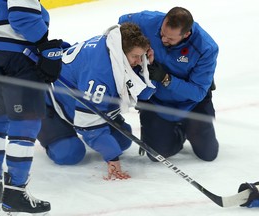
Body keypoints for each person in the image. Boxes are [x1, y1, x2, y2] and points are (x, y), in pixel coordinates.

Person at [0, 0, 63, 215]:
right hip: (18, 56)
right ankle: (15, 191)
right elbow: (22, 16)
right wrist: (43, 44)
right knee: (26, 121)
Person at [37, 22, 156, 180]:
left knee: (123, 140)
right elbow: (89, 123)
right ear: (121, 53)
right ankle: (51, 132)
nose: (140, 61)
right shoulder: (99, 73)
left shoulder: (115, 45)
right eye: (135, 56)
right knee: (70, 153)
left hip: (77, 98)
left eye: (142, 56)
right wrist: (112, 158)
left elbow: (141, 92)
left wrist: (147, 70)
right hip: (49, 103)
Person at [118, 7, 219, 162]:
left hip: (191, 104)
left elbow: (198, 92)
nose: (164, 39)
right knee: (156, 155)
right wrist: (135, 54)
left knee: (208, 154)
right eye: (162, 34)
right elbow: (121, 25)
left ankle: (188, 127)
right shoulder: (147, 20)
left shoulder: (206, 48)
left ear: (187, 34)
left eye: (170, 39)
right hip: (156, 101)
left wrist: (166, 78)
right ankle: (176, 133)